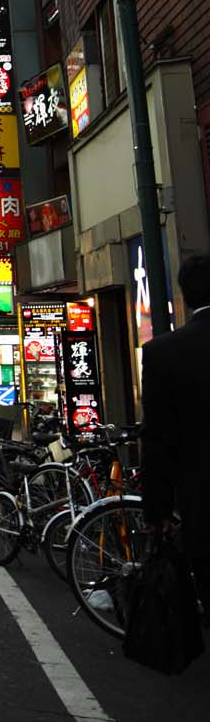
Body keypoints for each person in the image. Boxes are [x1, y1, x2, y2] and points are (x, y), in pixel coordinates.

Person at [141, 253, 210, 620]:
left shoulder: (164, 353)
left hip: (201, 502)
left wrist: (157, 509)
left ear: (184, 297)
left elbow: (158, 439)